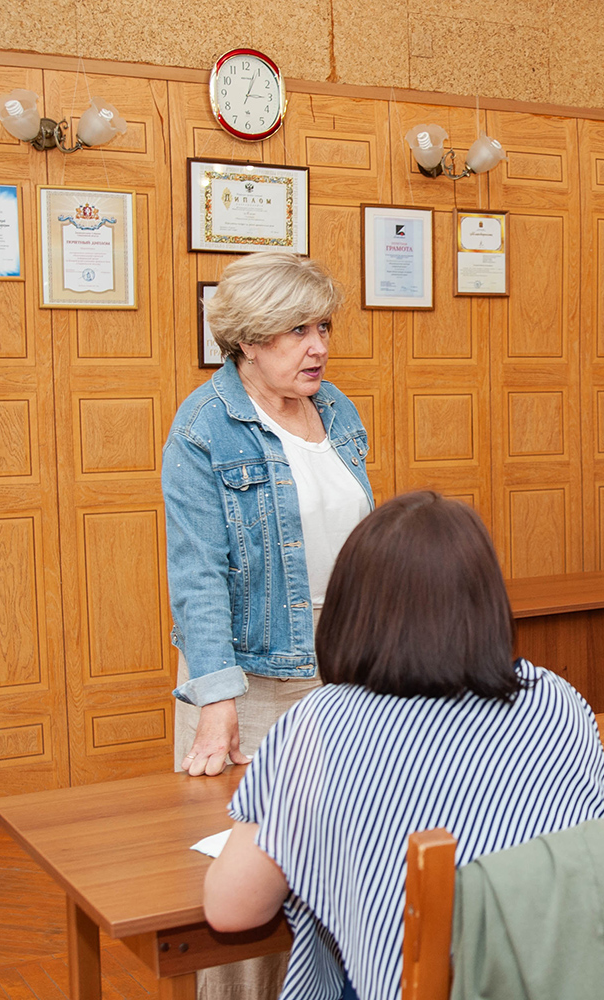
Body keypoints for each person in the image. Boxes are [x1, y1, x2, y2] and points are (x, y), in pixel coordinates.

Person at [202, 492, 604, 1000]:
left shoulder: (320, 723)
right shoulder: (558, 702)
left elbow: (232, 910)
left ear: (352, 608)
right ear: (486, 601)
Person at [164, 252, 372, 778]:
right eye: (297, 329)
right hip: (254, 669)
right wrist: (216, 698)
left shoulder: (335, 407)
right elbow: (198, 575)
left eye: (323, 326)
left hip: (346, 655)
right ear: (250, 342)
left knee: (340, 830)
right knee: (235, 836)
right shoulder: (204, 428)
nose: (319, 346)